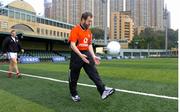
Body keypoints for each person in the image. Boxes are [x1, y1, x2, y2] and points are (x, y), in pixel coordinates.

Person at [68, 12, 115, 102]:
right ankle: (74, 94)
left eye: (91, 21)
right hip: (76, 54)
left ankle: (103, 91)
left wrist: (93, 56)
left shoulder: (89, 32)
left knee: (93, 72)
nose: (90, 23)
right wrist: (80, 55)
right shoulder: (75, 29)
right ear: (82, 20)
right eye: (89, 21)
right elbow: (72, 45)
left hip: (86, 53)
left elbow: (89, 45)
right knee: (74, 77)